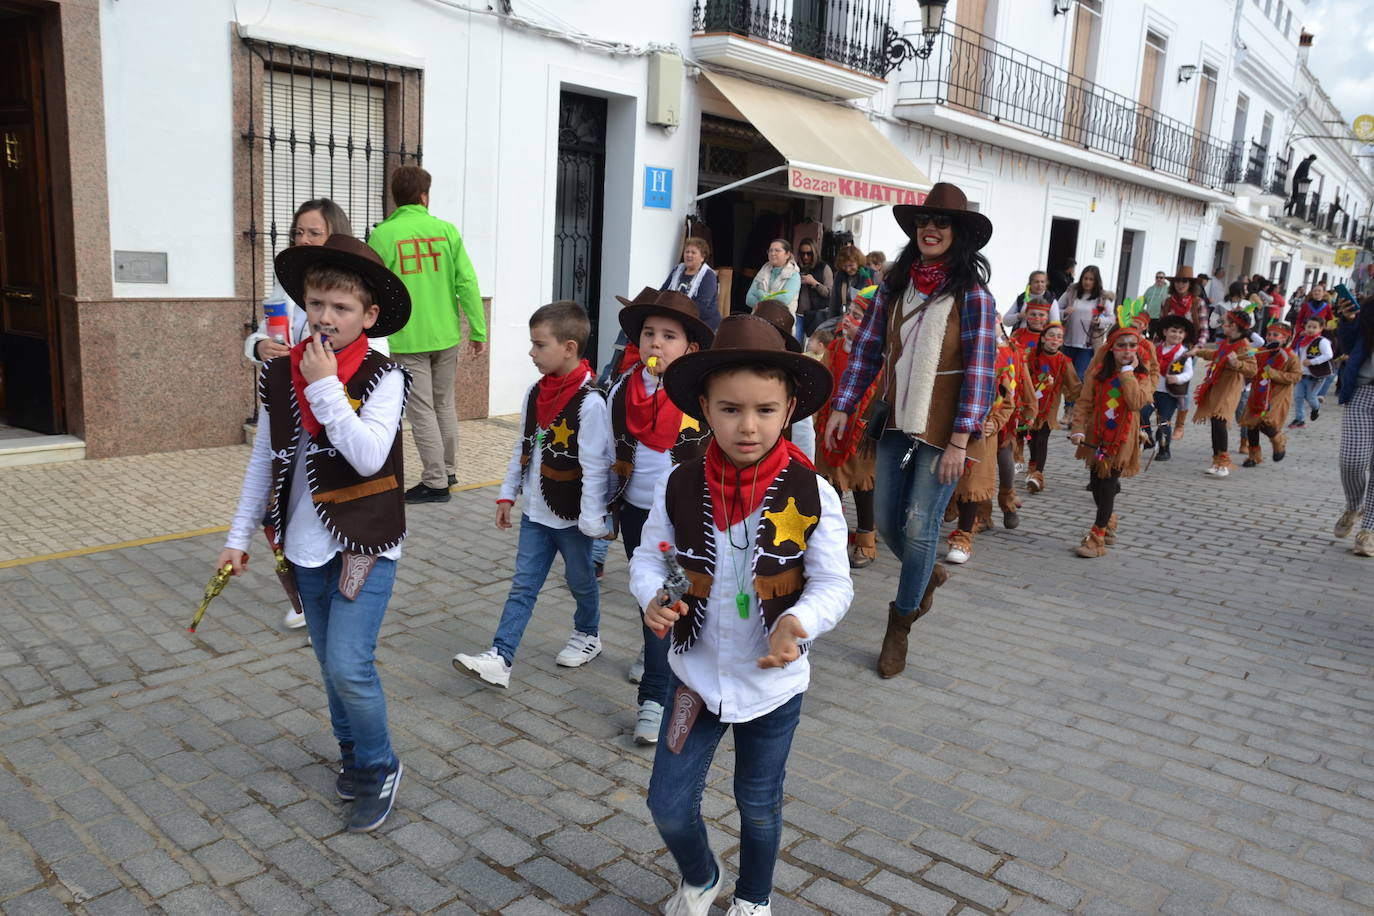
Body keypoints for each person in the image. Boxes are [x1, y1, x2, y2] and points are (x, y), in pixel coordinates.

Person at [639, 314, 852, 916]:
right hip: (694, 674)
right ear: (705, 408)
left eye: (765, 410)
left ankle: (754, 898)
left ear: (789, 410)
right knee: (667, 803)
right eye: (731, 410)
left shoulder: (812, 492)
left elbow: (834, 583)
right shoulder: (679, 482)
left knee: (758, 804)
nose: (748, 425)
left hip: (772, 685)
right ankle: (701, 876)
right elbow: (655, 555)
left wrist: (798, 622)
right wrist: (655, 595)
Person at [220, 234, 414, 832]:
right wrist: (238, 536)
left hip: (365, 542)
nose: (326, 318)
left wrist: (326, 387)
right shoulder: (281, 372)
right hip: (304, 544)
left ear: (369, 316)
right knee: (331, 667)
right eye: (316, 304)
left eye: (342, 307)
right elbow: (265, 459)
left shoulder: (385, 376)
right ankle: (352, 755)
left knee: (350, 665)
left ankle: (380, 764)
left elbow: (368, 455)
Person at [823, 182, 998, 680]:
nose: (930, 229)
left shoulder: (973, 296)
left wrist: (961, 441)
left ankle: (900, 623)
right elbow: (867, 350)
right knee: (884, 519)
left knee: (921, 526)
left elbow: (981, 373)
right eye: (924, 222)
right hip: (896, 422)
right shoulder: (894, 286)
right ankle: (925, 575)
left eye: (941, 223)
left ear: (959, 234)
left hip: (944, 433)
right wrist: (843, 406)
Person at [452, 301, 612, 688]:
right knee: (524, 585)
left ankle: (588, 634)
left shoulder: (591, 402)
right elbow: (522, 448)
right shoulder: (535, 392)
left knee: (580, 581)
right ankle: (501, 657)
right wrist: (507, 494)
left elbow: (597, 467)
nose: (531, 352)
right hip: (535, 515)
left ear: (569, 348)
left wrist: (593, 520)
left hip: (572, 518)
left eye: (539, 345)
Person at [603, 290, 714, 744]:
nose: (656, 343)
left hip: (679, 522)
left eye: (669, 336)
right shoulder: (621, 390)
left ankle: (653, 697)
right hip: (636, 513)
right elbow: (608, 452)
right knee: (651, 593)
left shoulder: (701, 398)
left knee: (668, 597)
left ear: (689, 348)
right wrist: (602, 508)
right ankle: (657, 655)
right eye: (649, 334)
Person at [368, 166, 486, 505]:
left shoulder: (383, 236)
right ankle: (447, 470)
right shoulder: (446, 231)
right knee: (444, 403)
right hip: (445, 334)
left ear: (395, 197)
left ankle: (435, 483)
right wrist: (478, 329)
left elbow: (372, 287)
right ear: (424, 196)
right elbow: (467, 282)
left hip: (407, 338)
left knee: (421, 411)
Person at [245, 199, 375, 367]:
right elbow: (269, 327)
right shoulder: (287, 279)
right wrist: (259, 346)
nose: (303, 240)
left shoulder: (358, 282)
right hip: (290, 379)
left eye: (314, 233)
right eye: (298, 232)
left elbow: (374, 346)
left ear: (337, 235)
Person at [813, 286, 883, 570]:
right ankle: (833, 534)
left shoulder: (878, 355)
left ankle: (866, 538)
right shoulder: (834, 347)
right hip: (831, 423)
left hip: (860, 429)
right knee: (830, 484)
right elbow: (825, 379)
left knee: (862, 484)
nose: (848, 319)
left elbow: (879, 390)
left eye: (857, 316)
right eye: (848, 312)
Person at [1068, 327, 1152, 557]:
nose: (1127, 350)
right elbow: (1084, 402)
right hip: (1097, 435)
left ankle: (1097, 539)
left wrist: (1127, 373)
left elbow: (1135, 402)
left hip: (1122, 439)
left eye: (1132, 346)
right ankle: (1108, 520)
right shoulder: (1098, 373)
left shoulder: (1141, 376)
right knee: (1096, 484)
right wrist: (1078, 429)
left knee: (1107, 484)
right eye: (1121, 346)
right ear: (1111, 348)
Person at [944, 340, 1016, 565]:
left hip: (980, 435)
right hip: (946, 428)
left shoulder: (999, 363)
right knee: (944, 478)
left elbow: (1007, 402)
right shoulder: (952, 356)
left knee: (971, 484)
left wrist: (995, 423)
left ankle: (963, 537)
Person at [1189, 309, 1258, 478]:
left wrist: (1237, 364)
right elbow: (1216, 355)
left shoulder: (1245, 346)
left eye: (1225, 322)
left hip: (1230, 386)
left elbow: (1252, 369)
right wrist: (1198, 352)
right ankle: (1216, 461)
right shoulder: (1227, 342)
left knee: (1220, 420)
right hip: (1217, 384)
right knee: (1215, 421)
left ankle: (1224, 463)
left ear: (1234, 326)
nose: (1222, 325)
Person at [1334, 295, 1374, 555]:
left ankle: (1369, 530)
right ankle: (1353, 506)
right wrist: (1348, 321)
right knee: (1352, 461)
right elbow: (1349, 346)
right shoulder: (1369, 308)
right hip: (1363, 391)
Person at [1024, 323, 1080, 492]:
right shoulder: (1032, 357)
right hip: (1031, 404)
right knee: (1032, 438)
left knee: (1042, 438)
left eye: (1059, 336)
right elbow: (1022, 377)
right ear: (1042, 339)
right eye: (1051, 335)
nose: (1055, 339)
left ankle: (1038, 475)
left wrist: (1086, 396)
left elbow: (1074, 385)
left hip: (1050, 407)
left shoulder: (1064, 361)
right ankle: (1033, 464)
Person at [1239, 321, 1300, 467]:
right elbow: (1246, 360)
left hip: (1276, 395)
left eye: (1275, 335)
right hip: (1258, 391)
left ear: (1284, 338)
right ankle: (1254, 456)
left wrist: (1274, 374)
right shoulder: (1261, 351)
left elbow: (1296, 376)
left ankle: (1278, 440)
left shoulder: (1291, 356)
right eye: (1269, 334)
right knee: (1252, 424)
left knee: (1266, 422)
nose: (1270, 337)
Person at [1141, 315, 1195, 461]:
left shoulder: (1183, 353)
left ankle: (1164, 449)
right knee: (1141, 413)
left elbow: (1189, 373)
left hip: (1169, 394)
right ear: (1165, 332)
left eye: (1180, 332)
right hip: (1152, 390)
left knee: (1164, 421)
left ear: (1184, 335)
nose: (1176, 335)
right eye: (1173, 331)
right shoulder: (1155, 349)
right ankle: (1147, 438)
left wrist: (1177, 378)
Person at [1056, 264, 1113, 382]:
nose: (1087, 282)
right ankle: (1067, 395)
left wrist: (1100, 321)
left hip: (1088, 344)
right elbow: (1055, 309)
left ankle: (1077, 395)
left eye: (1091, 279)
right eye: (1085, 278)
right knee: (1065, 375)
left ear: (1096, 281)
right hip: (1068, 341)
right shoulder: (1071, 292)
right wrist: (1064, 312)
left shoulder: (1102, 297)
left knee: (1079, 376)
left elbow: (1112, 318)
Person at [662, 237, 722, 330]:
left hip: (704, 325)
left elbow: (702, 305)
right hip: (680, 319)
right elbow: (663, 292)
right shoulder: (677, 270)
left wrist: (677, 312)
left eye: (693, 252)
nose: (689, 255)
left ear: (702, 257)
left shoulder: (708, 275)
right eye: (687, 252)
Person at [1288, 316, 1335, 428]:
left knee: (1310, 398)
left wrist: (1312, 362)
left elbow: (1329, 355)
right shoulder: (1302, 340)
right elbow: (1298, 354)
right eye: (1309, 326)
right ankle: (1299, 419)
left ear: (1321, 329)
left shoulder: (1322, 341)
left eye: (1314, 327)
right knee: (1298, 396)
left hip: (1316, 375)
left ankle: (1316, 408)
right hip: (1302, 373)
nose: (1311, 329)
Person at [744, 239, 800, 320]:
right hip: (758, 321)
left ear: (787, 254)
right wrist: (769, 302)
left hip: (780, 322)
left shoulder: (793, 275)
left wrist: (762, 295)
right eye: (770, 251)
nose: (772, 253)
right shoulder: (762, 272)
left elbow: (784, 300)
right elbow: (749, 299)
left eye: (777, 250)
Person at [795, 238, 833, 338]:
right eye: (802, 253)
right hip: (798, 314)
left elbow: (830, 293)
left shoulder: (824, 268)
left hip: (816, 315)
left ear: (815, 253)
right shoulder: (795, 268)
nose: (805, 257)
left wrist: (814, 283)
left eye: (809, 253)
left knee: (812, 345)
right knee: (796, 343)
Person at [1162, 267, 1207, 343]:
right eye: (1177, 281)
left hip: (1190, 345)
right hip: (1168, 345)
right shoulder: (1166, 302)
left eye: (1184, 281)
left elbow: (1204, 330)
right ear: (1173, 283)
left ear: (1190, 284)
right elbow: (1161, 326)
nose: (1180, 284)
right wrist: (1156, 345)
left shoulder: (1198, 302)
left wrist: (1198, 346)